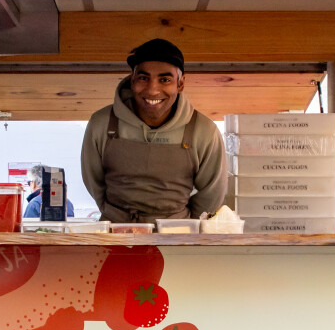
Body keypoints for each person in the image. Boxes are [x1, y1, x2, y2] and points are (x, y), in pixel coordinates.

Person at [80, 38, 226, 223]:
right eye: (143, 78)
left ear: (180, 84)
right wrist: (117, 217)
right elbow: (94, 182)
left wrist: (184, 226)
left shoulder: (203, 130)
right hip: (115, 231)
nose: (152, 90)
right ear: (132, 80)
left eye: (165, 80)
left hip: (176, 234)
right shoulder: (102, 123)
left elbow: (212, 194)